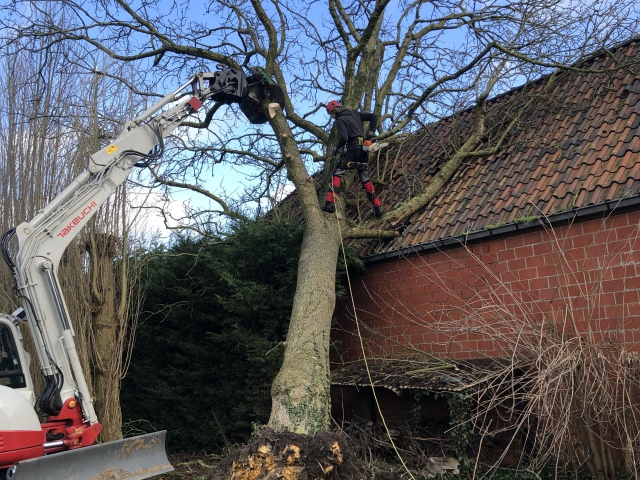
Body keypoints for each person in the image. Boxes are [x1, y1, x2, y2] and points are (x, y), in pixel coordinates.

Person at [322, 100, 383, 218]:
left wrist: (336, 148)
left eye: (331, 114)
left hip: (352, 150)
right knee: (365, 178)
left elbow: (344, 138)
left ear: (334, 111)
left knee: (337, 173)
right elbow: (373, 117)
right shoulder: (355, 114)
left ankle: (330, 204)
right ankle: (378, 207)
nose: (332, 117)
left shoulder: (340, 120)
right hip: (363, 152)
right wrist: (371, 132)